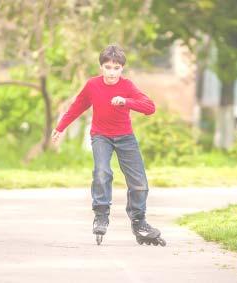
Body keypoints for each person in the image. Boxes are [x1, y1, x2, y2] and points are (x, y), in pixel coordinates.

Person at [51, 44, 165, 246]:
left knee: (139, 182)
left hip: (125, 137)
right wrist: (61, 127)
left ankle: (139, 221)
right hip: (101, 136)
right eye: (108, 67)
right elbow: (77, 106)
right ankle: (101, 214)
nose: (112, 72)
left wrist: (126, 101)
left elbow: (150, 108)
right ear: (101, 67)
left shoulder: (127, 86)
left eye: (116, 68)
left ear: (122, 69)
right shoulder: (92, 85)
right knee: (102, 172)